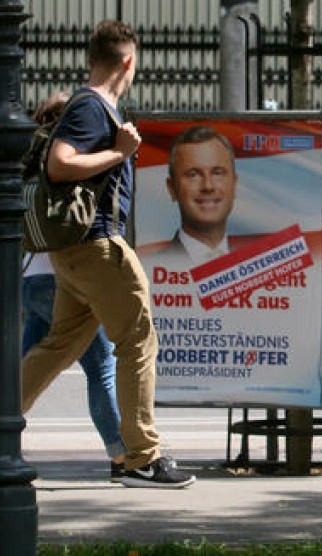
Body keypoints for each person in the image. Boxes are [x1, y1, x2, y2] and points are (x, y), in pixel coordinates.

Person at [21, 19, 195, 489]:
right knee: (138, 339)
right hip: (98, 245)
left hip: (73, 253)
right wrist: (120, 152)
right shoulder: (94, 108)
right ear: (128, 62)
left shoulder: (90, 105)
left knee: (59, 346)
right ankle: (142, 456)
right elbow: (61, 164)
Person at [22, 90, 126, 482]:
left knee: (29, 366)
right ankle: (122, 457)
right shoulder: (71, 160)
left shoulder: (32, 158)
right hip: (67, 277)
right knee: (102, 369)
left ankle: (4, 442)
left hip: (32, 278)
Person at [151, 125, 238, 264]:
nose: (208, 186)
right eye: (193, 174)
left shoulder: (259, 270)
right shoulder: (150, 269)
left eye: (217, 173)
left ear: (234, 184)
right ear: (172, 188)